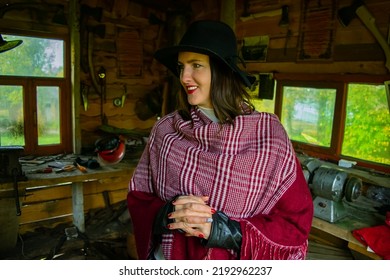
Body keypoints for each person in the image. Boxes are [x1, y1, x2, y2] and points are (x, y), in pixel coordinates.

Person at [127, 20, 313, 260]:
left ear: (222, 70)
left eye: (196, 65)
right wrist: (166, 213)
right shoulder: (166, 130)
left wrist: (225, 231)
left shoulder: (268, 137)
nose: (185, 76)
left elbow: (294, 223)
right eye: (181, 66)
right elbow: (138, 198)